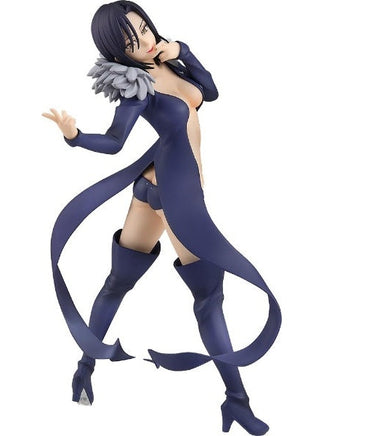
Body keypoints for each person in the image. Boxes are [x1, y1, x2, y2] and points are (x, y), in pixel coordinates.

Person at [43, 2, 281, 434]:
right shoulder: (137, 86)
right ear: (117, 51)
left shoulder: (169, 59)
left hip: (155, 189)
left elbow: (210, 92)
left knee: (119, 283)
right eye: (130, 40)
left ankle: (83, 371)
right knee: (208, 298)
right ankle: (236, 401)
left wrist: (182, 51)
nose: (144, 40)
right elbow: (115, 141)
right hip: (173, 195)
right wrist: (75, 137)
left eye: (143, 27)